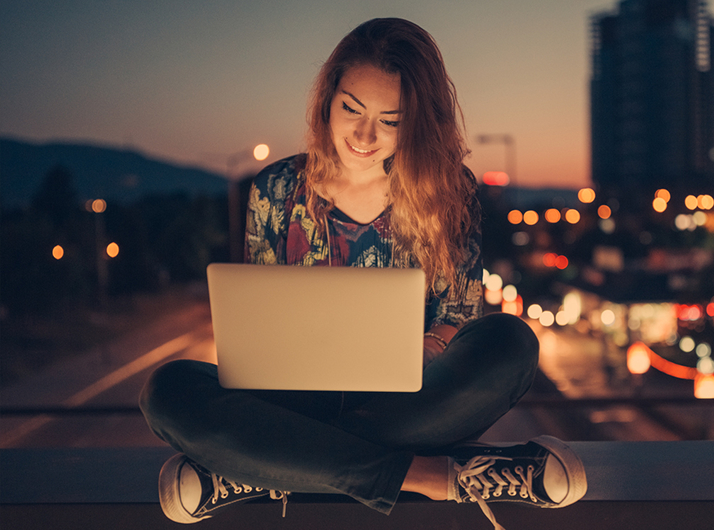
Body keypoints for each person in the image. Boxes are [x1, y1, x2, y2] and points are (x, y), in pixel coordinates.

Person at [139, 18, 586, 530]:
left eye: (390, 120)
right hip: (293, 396)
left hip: (406, 399)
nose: (365, 135)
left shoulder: (448, 190)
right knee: (166, 391)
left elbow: (458, 320)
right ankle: (435, 477)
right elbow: (259, 318)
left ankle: (267, 468)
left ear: (415, 124)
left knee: (511, 344)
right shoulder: (275, 189)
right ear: (328, 98)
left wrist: (423, 347)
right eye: (352, 108)